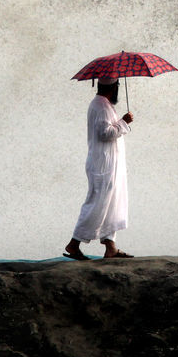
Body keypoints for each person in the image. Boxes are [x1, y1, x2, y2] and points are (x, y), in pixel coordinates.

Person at [63, 76, 135, 260]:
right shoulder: (101, 106)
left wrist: (120, 121)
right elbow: (105, 133)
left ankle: (110, 246)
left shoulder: (104, 105)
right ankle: (74, 243)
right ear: (114, 88)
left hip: (110, 165)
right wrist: (124, 122)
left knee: (112, 202)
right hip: (102, 165)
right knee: (97, 203)